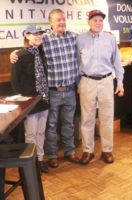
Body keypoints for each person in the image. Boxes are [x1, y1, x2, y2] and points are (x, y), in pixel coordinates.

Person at [10, 9, 80, 168]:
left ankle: (69, 152)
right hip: (52, 92)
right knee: (51, 125)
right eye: (58, 20)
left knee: (68, 124)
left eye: (63, 19)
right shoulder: (45, 39)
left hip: (70, 90)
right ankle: (52, 155)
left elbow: (90, 39)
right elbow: (27, 49)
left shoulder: (74, 37)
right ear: (51, 23)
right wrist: (13, 53)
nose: (61, 22)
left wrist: (108, 35)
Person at [76, 10, 124, 165]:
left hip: (106, 81)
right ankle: (87, 151)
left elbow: (117, 63)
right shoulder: (80, 39)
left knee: (107, 117)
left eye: (100, 20)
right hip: (87, 81)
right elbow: (76, 62)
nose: (98, 23)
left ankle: (107, 150)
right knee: (87, 118)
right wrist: (78, 83)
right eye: (95, 20)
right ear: (89, 22)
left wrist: (120, 83)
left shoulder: (110, 39)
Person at [11, 25, 49, 173]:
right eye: (34, 34)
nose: (38, 36)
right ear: (27, 36)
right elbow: (15, 82)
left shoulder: (43, 53)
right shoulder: (19, 55)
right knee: (31, 133)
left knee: (41, 132)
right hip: (30, 102)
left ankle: (39, 159)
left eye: (40, 33)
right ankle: (31, 163)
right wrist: (22, 103)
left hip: (44, 99)